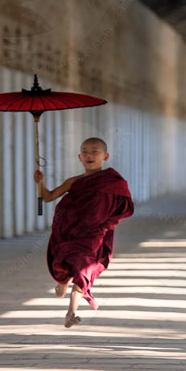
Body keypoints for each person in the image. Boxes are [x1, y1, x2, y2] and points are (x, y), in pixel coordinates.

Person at [33, 137, 134, 328]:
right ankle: (63, 281)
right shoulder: (74, 181)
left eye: (95, 151)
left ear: (106, 156)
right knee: (69, 262)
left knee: (84, 269)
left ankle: (71, 311)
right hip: (71, 229)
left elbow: (125, 207)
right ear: (79, 157)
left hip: (94, 233)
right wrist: (40, 182)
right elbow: (48, 197)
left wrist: (107, 224)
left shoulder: (113, 181)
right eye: (85, 151)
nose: (90, 155)